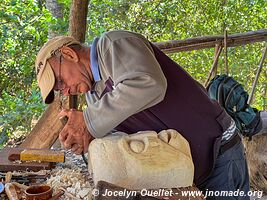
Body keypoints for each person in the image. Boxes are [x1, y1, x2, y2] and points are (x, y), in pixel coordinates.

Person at [35, 30, 251, 199]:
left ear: (69, 54)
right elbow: (118, 134)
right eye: (58, 90)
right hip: (188, 167)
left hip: (219, 151)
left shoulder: (112, 46)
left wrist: (89, 120)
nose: (64, 91)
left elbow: (150, 84)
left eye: (60, 81)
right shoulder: (93, 96)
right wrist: (86, 136)